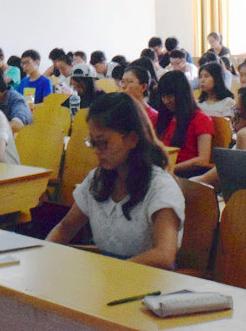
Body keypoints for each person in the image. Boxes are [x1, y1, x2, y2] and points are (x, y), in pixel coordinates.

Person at [46, 92, 184, 270]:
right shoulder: (98, 179)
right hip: (109, 275)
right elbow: (65, 228)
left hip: (147, 278)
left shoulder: (160, 187)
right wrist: (44, 255)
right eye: (93, 142)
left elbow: (163, 256)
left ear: (132, 139)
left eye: (103, 143)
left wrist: (113, 273)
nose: (97, 150)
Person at [156, 71, 214, 178]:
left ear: (182, 94)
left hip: (184, 175)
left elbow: (203, 159)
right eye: (163, 97)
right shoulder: (166, 117)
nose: (166, 101)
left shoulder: (201, 119)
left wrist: (170, 168)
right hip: (164, 171)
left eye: (170, 96)